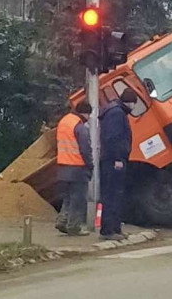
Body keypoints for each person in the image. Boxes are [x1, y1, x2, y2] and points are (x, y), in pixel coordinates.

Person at [99, 89, 138, 241]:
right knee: (113, 194)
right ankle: (108, 230)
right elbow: (113, 138)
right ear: (130, 102)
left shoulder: (116, 112)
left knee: (116, 194)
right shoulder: (117, 114)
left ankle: (115, 228)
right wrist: (117, 158)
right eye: (134, 103)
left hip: (114, 159)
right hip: (114, 161)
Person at [55, 101, 93, 236]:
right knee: (78, 199)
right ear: (85, 113)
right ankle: (74, 227)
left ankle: (62, 220)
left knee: (68, 198)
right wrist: (90, 165)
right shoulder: (79, 126)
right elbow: (85, 149)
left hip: (62, 166)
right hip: (77, 168)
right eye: (89, 115)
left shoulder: (64, 121)